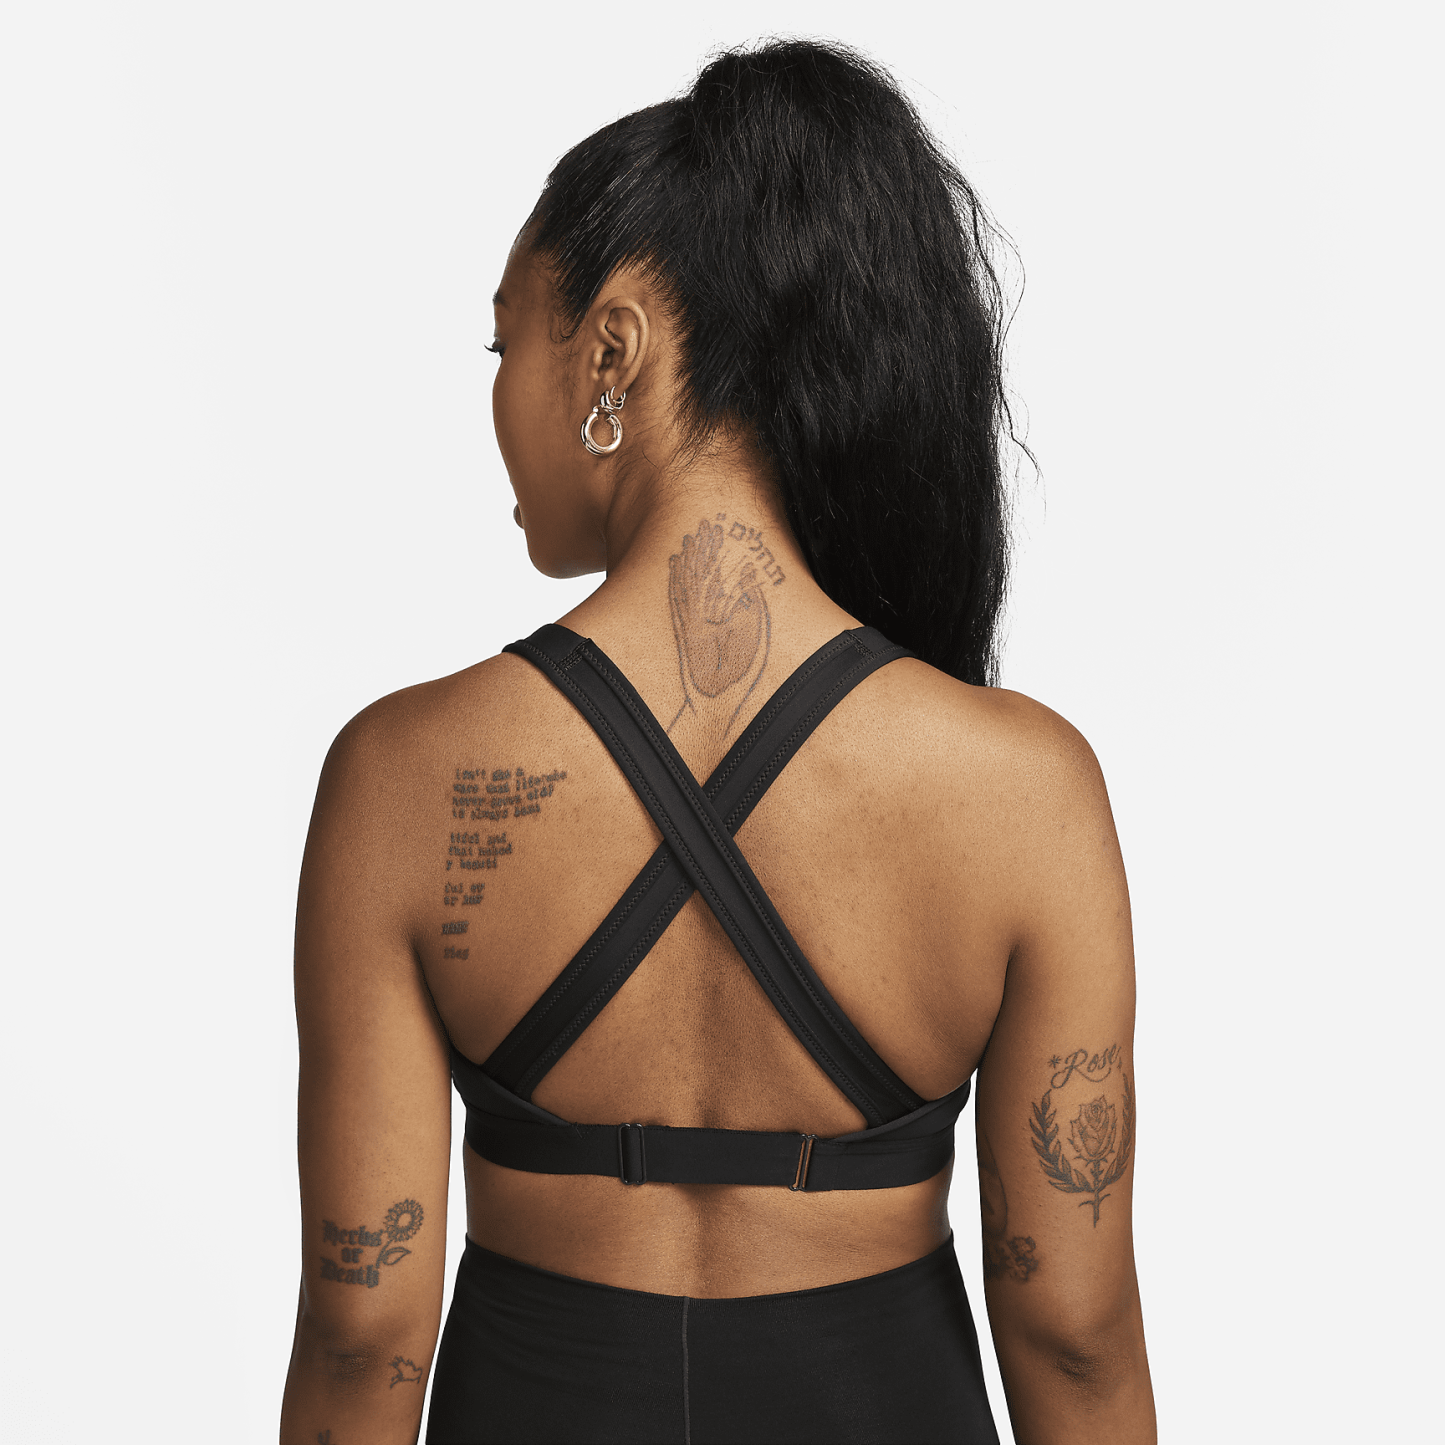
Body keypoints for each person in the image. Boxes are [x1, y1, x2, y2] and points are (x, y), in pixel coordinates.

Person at [279, 38, 1155, 1445]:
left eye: (505, 345)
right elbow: (1075, 1332)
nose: (496, 395)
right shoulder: (1023, 791)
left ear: (611, 353)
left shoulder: (400, 776)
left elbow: (362, 1336)